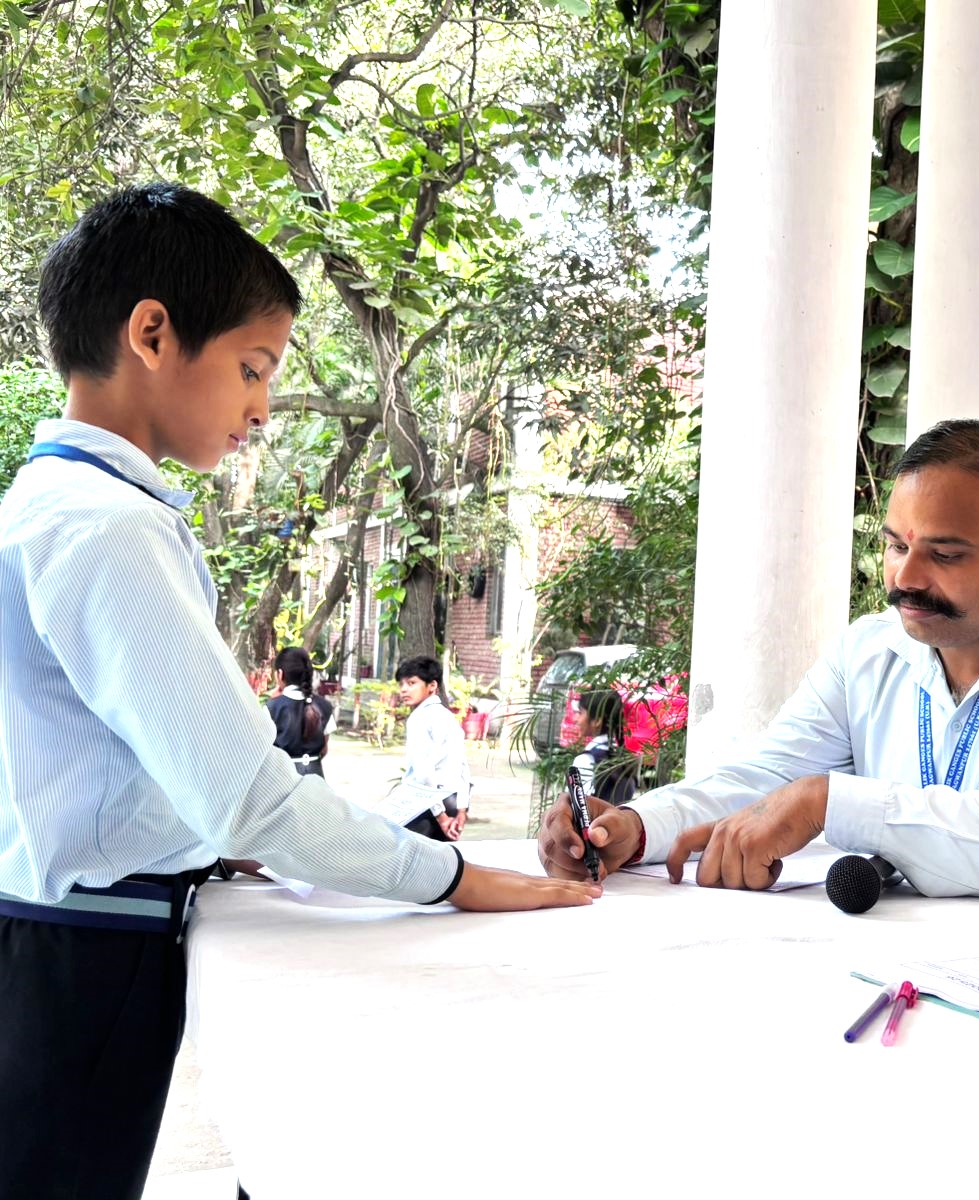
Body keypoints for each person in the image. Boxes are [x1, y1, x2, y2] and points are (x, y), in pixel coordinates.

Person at [0, 183, 599, 1200]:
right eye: (252, 367)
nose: (261, 409)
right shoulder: (106, 528)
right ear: (152, 333)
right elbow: (250, 798)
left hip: (69, 933)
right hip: (86, 951)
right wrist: (451, 876)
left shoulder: (54, 504)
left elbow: (117, 768)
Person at [540, 418, 979, 899]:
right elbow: (768, 779)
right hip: (879, 965)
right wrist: (635, 827)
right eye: (896, 546)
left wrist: (831, 801)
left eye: (945, 555)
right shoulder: (870, 648)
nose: (907, 578)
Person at [392, 655, 471, 841]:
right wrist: (462, 810)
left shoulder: (419, 719)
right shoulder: (448, 716)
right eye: (402, 684)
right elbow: (462, 765)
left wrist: (441, 817)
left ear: (432, 686)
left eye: (412, 683)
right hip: (451, 800)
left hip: (427, 805)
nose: (404, 689)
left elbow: (424, 774)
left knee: (413, 857)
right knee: (443, 857)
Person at [266, 646, 334, 776]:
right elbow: (324, 749)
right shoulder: (325, 706)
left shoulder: (272, 708)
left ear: (280, 674)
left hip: (284, 778)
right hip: (316, 776)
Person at [570, 688, 638, 807]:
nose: (576, 719)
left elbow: (578, 809)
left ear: (597, 720)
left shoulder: (587, 760)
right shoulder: (624, 758)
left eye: (580, 713)